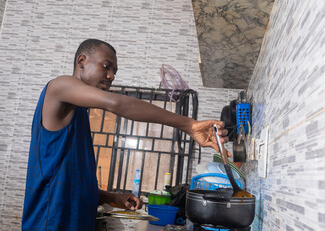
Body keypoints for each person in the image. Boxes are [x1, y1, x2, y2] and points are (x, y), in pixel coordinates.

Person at [21, 39, 229, 230]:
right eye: (106, 66)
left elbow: (69, 181)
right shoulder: (59, 86)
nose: (111, 75)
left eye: (114, 71)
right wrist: (189, 125)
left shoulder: (80, 113)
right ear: (81, 61)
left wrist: (111, 197)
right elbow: (116, 103)